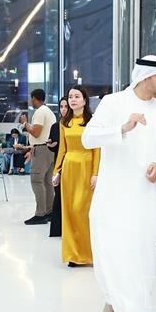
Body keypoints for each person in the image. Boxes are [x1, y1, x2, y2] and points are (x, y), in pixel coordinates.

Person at [82, 55, 156, 312]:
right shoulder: (113, 103)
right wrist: (122, 129)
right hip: (112, 193)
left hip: (145, 194)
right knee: (110, 249)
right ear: (145, 77)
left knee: (142, 251)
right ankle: (113, 300)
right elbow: (89, 138)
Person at [52, 85, 100, 267]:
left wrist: (96, 173)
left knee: (83, 211)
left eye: (77, 96)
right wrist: (56, 171)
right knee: (70, 211)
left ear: (85, 100)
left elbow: (97, 149)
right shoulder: (64, 122)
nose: (72, 99)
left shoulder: (93, 121)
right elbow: (62, 150)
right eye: (70, 96)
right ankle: (73, 254)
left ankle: (88, 253)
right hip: (69, 167)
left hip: (87, 167)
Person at [22, 89, 57, 225]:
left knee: (37, 181)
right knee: (47, 182)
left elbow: (36, 133)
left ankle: (40, 214)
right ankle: (49, 212)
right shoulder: (49, 112)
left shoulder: (40, 112)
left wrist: (25, 123)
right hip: (49, 150)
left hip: (41, 150)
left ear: (35, 98)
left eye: (32, 99)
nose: (31, 101)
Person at [48, 97, 68, 238]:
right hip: (59, 163)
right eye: (61, 106)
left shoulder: (73, 125)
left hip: (73, 163)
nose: (63, 109)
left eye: (65, 106)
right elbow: (54, 146)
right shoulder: (56, 126)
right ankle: (58, 229)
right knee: (58, 195)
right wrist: (51, 146)